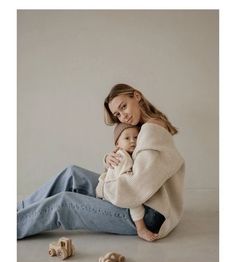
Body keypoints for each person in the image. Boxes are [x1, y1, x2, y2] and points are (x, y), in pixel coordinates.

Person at [17, 83, 185, 240]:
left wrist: (104, 188)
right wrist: (110, 160)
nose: (123, 116)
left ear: (137, 96)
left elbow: (134, 188)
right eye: (118, 114)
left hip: (148, 216)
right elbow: (132, 167)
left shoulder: (151, 130)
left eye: (123, 106)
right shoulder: (144, 128)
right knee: (72, 173)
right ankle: (18, 210)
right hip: (137, 200)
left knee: (65, 202)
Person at [96, 122, 159, 242]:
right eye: (127, 138)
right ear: (117, 144)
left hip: (105, 188)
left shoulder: (124, 154)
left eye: (136, 137)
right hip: (110, 193)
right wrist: (140, 227)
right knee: (133, 192)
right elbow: (129, 192)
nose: (132, 141)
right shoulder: (123, 158)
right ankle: (141, 228)